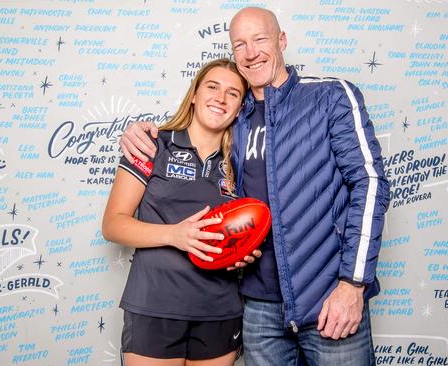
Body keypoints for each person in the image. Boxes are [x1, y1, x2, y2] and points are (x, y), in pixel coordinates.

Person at [120, 7, 390, 366]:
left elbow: (369, 184)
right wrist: (140, 129)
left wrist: (353, 284)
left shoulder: (329, 97)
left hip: (328, 298)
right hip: (258, 309)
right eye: (239, 44)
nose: (250, 52)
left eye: (260, 39)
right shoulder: (235, 115)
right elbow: (198, 126)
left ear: (282, 41)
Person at [103, 58, 249, 366]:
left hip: (220, 310)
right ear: (194, 94)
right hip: (155, 306)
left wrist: (246, 252)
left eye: (233, 93)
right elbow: (113, 225)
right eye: (212, 87)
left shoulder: (242, 164)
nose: (220, 98)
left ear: (240, 107)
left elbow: (245, 231)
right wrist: (174, 235)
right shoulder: (152, 145)